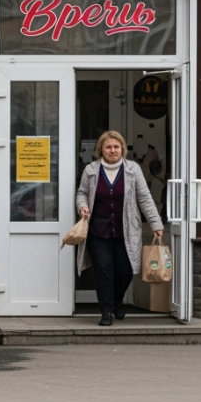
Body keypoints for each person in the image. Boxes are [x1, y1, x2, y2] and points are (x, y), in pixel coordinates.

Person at [76, 130, 164, 327]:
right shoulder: (91, 170)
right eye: (108, 147)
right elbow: (81, 193)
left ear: (122, 149)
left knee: (125, 270)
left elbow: (145, 198)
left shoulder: (133, 170)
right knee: (103, 271)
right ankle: (106, 311)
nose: (112, 150)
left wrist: (156, 223)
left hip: (126, 231)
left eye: (116, 147)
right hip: (98, 231)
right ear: (101, 149)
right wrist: (82, 206)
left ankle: (117, 301)